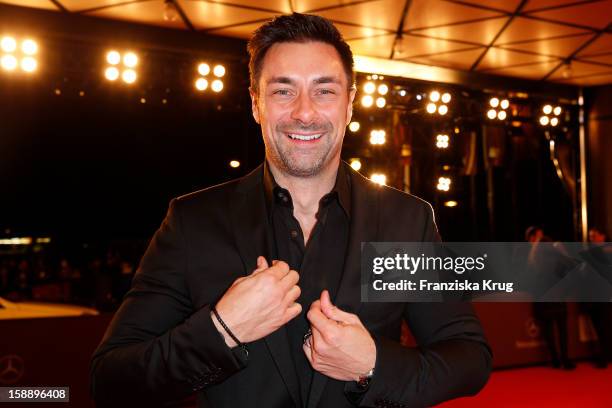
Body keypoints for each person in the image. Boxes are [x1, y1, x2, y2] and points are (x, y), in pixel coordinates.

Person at [90, 13, 491, 408]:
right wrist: (221, 330)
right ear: (255, 103)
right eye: (283, 91)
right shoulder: (193, 221)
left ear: (349, 104)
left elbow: (469, 358)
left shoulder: (405, 221)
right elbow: (112, 380)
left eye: (324, 90)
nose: (304, 111)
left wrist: (373, 365)